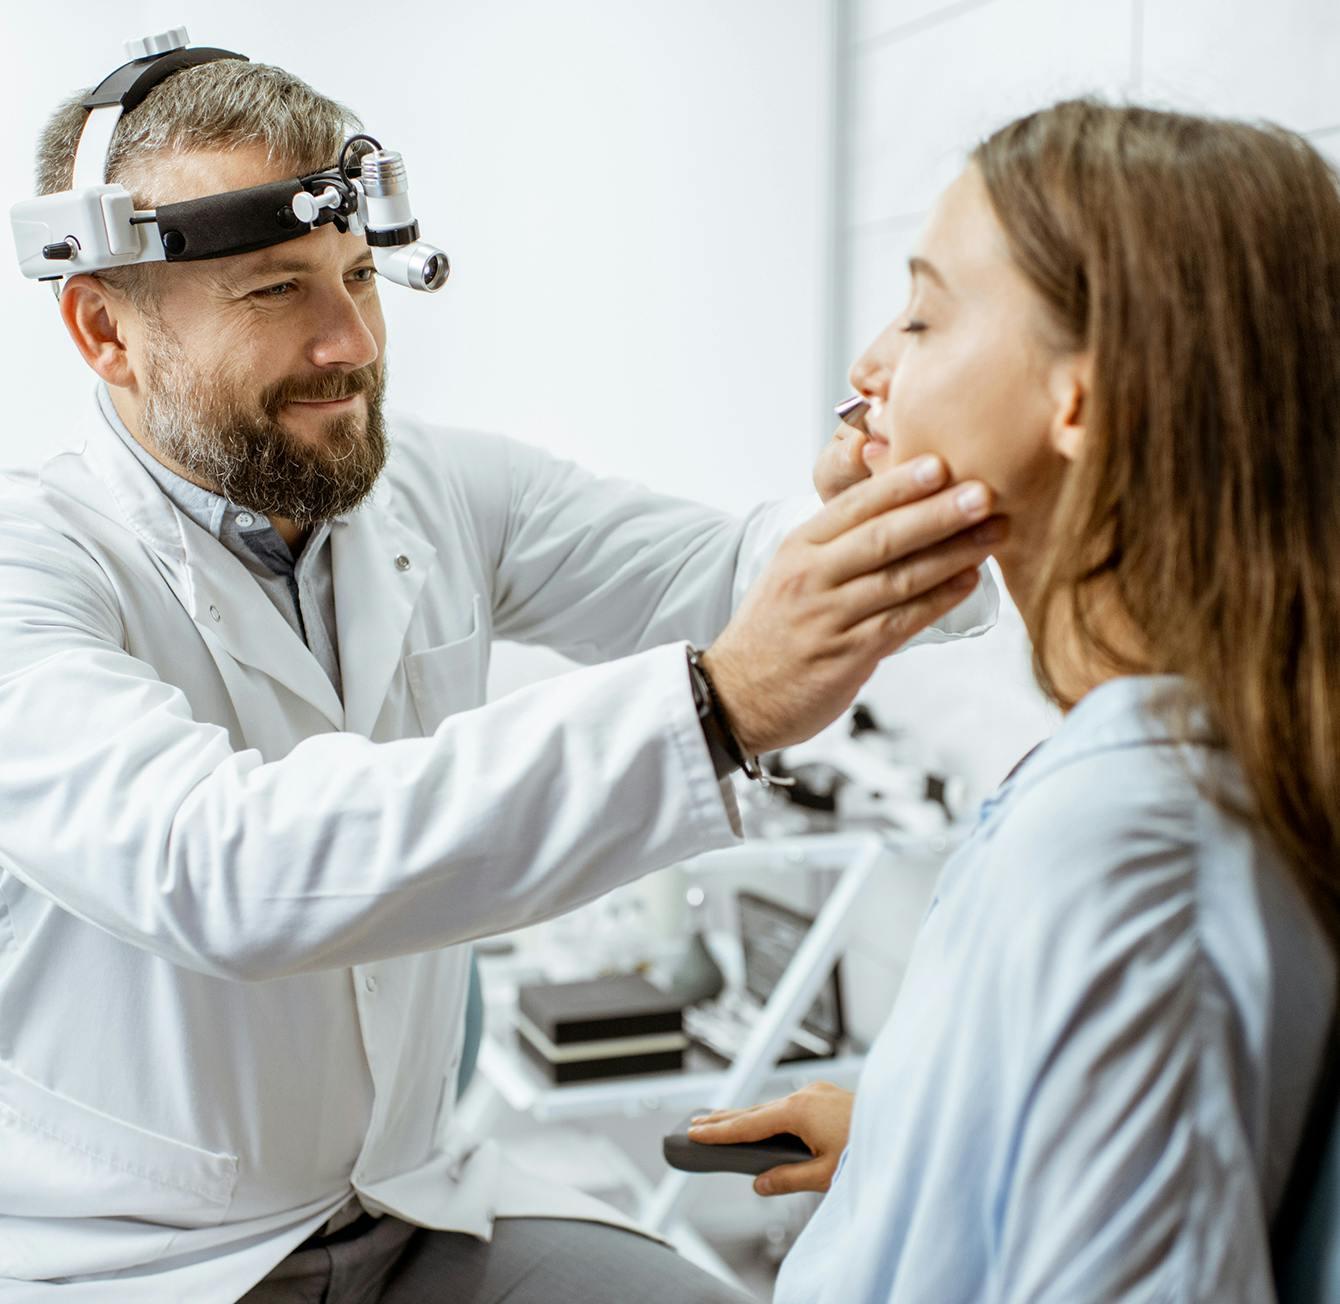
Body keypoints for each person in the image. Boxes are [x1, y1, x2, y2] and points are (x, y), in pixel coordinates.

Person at [0, 52, 1005, 1302]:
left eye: (361, 277)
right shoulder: (30, 570)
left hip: (414, 1200)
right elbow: (221, 867)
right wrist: (712, 708)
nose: (351, 343)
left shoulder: (433, 488)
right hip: (140, 1263)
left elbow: (732, 573)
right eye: (275, 291)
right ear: (105, 328)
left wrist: (899, 506)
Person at [689, 99, 1340, 1302]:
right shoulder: (1145, 773)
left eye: (924, 313)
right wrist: (912, 1135)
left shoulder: (1131, 847)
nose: (869, 367)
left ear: (1081, 401)